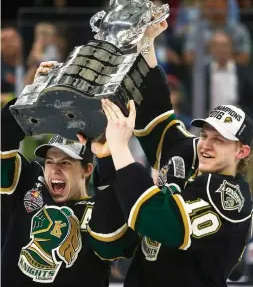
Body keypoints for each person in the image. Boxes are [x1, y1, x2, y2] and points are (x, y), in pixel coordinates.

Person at [87, 20, 253, 287]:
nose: (206, 145)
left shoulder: (230, 197)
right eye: (205, 135)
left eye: (219, 140)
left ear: (241, 151)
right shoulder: (191, 154)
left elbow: (157, 219)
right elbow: (157, 113)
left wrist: (120, 147)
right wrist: (146, 43)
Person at [1, 63, 138, 287]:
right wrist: (33, 96)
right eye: (49, 162)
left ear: (87, 170)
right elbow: (3, 135)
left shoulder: (100, 207)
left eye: (65, 162)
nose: (55, 169)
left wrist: (106, 157)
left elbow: (112, 243)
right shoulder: (28, 186)